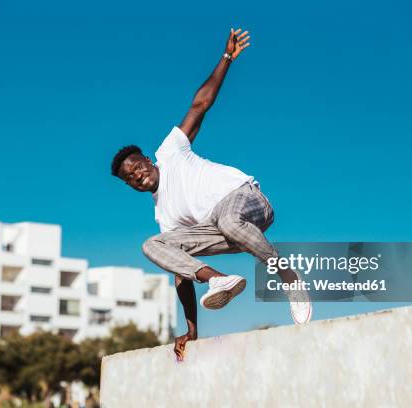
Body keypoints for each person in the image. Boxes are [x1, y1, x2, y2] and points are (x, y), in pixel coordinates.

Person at [111, 28, 311, 361]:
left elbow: (200, 104)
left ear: (147, 159)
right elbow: (181, 273)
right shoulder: (164, 215)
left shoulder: (170, 150)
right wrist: (192, 331)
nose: (139, 176)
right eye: (131, 179)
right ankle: (220, 280)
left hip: (246, 201)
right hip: (230, 234)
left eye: (138, 168)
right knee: (154, 245)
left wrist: (227, 57)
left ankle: (288, 277)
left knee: (227, 219)